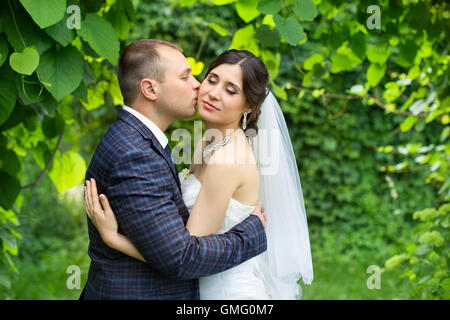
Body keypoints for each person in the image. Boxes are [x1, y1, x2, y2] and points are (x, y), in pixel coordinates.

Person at [85, 47, 314, 299]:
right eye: (211, 79)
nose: (213, 93)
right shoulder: (210, 141)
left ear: (248, 105)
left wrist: (114, 238)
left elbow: (185, 257)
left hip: (225, 291)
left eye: (230, 90)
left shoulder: (228, 159)